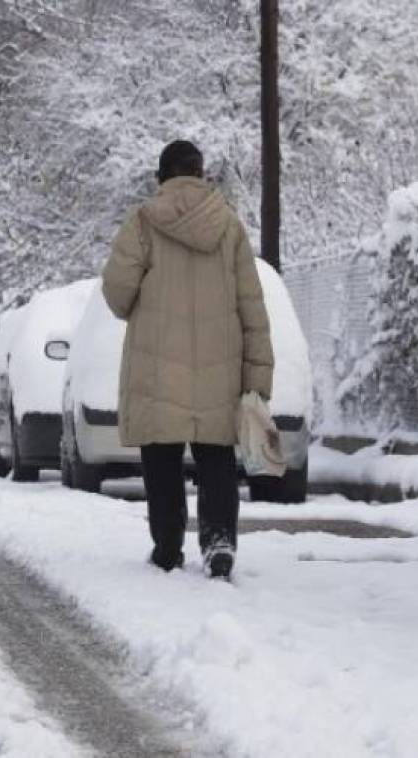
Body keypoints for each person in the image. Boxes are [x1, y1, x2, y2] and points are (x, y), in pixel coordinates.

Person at [101, 140, 274, 579]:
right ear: (202, 175)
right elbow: (253, 307)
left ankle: (167, 547)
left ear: (162, 177)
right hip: (219, 367)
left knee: (161, 458)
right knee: (216, 457)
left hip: (158, 368)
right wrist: (258, 378)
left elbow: (118, 297)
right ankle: (218, 542)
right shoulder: (230, 228)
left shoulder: (143, 222)